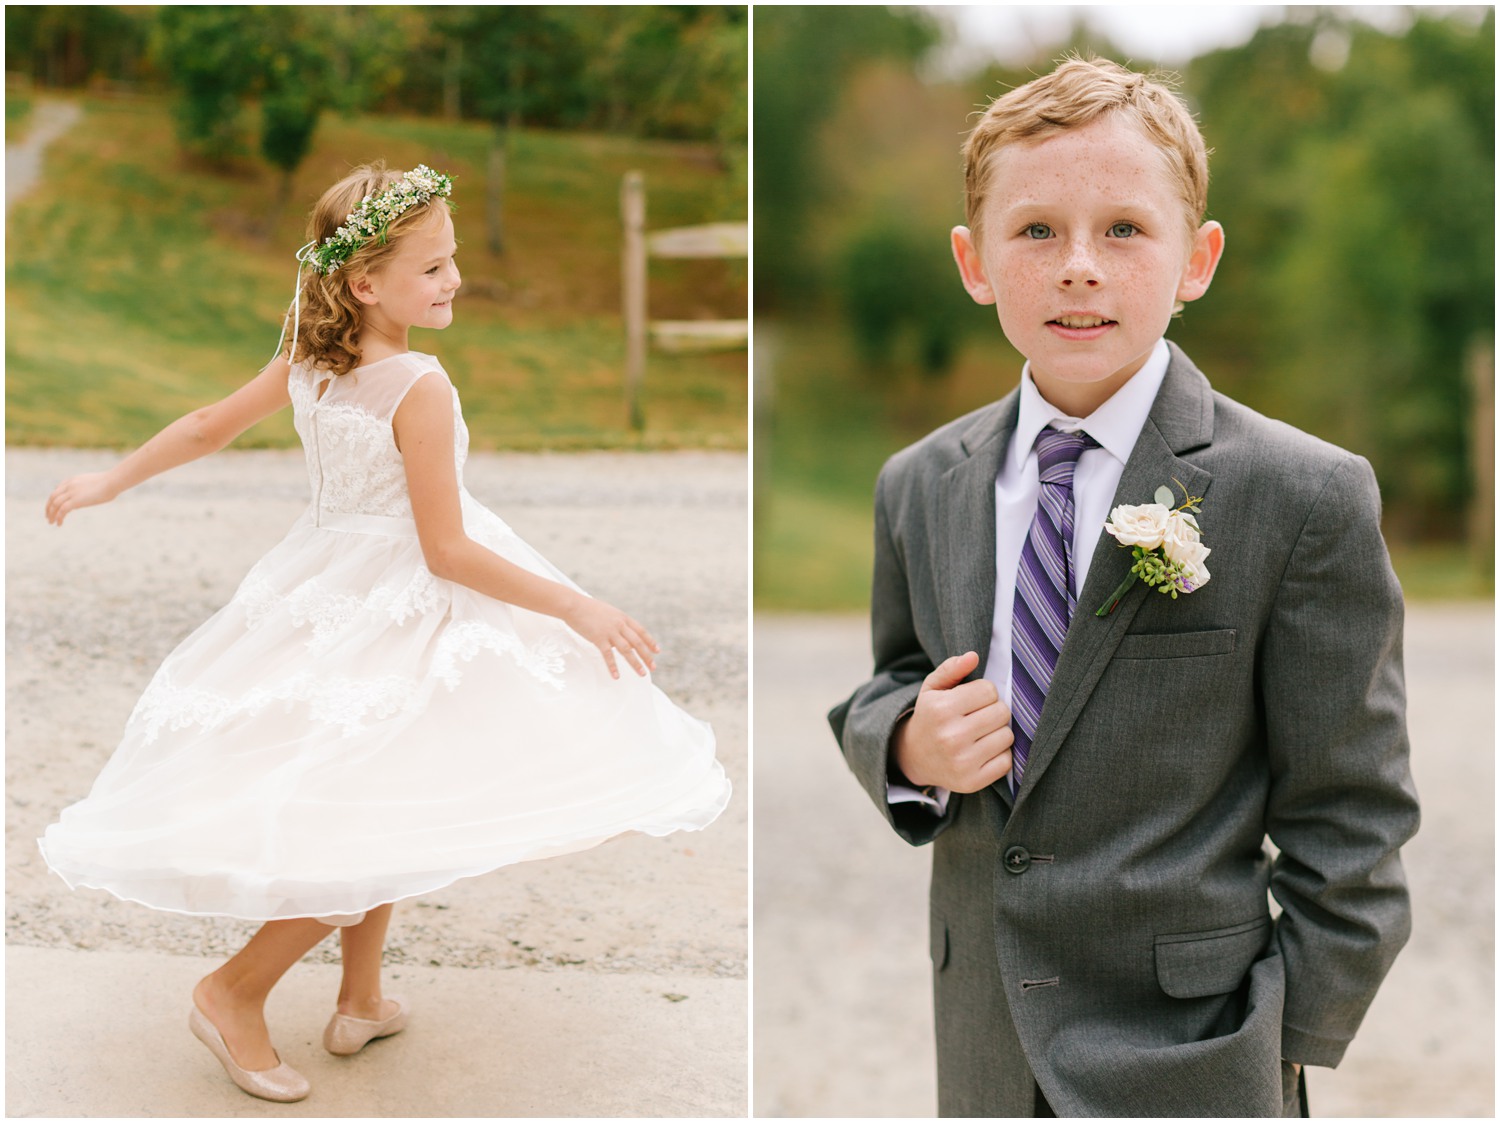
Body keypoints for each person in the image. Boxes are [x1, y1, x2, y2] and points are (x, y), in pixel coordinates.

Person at [39, 162, 730, 1104]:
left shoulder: (311, 353)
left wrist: (105, 481)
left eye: (453, 263)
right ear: (366, 282)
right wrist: (575, 605)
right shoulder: (418, 384)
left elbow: (208, 426)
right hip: (395, 599)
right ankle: (232, 990)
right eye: (434, 268)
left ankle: (362, 995)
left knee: (391, 783)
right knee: (363, 805)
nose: (455, 282)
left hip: (317, 584)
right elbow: (445, 549)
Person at [828, 57, 1418, 1117]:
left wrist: (1279, 1044)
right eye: (1037, 231)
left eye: (1125, 230)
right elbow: (892, 679)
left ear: (1197, 259)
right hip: (986, 1050)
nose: (1079, 268)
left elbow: (1355, 816)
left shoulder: (1303, 495)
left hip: (1198, 1057)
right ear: (974, 260)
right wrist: (909, 745)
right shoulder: (920, 484)